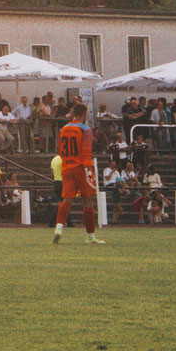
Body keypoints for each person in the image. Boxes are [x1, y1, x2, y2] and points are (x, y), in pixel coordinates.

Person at [53, 101, 105, 245]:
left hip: (67, 167)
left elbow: (60, 150)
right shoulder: (85, 130)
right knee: (88, 200)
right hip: (81, 167)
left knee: (67, 199)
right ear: (84, 114)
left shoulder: (63, 129)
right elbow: (86, 153)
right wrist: (89, 172)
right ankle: (90, 236)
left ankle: (59, 229)